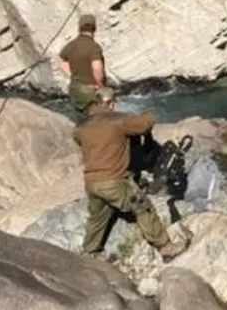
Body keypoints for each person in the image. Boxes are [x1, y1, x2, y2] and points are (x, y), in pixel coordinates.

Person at [73, 87, 188, 262]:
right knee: (142, 206)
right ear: (111, 103)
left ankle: (90, 253)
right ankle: (165, 247)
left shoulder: (83, 126)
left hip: (91, 182)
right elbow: (145, 124)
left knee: (97, 218)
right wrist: (148, 113)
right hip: (114, 180)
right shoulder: (118, 120)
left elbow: (76, 137)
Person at [59, 13, 106, 115]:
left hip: (75, 90)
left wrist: (72, 75)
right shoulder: (94, 47)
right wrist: (100, 86)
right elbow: (97, 68)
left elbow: (62, 62)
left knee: (79, 117)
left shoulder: (71, 45)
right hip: (90, 92)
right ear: (94, 29)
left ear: (79, 28)